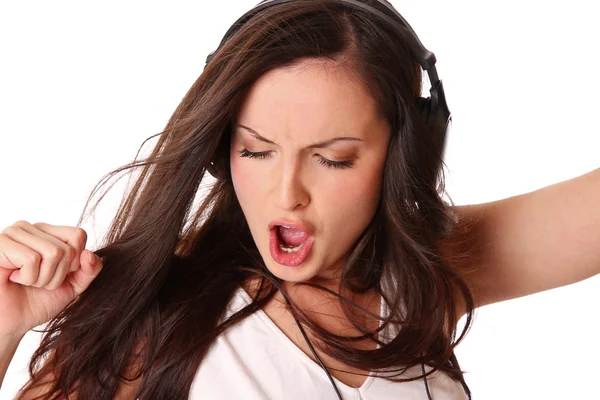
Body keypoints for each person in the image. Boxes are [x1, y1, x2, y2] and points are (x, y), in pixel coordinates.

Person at [1, 0, 599, 399]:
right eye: (257, 151)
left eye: (333, 158)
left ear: (402, 159)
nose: (286, 194)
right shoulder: (159, 317)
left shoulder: (421, 278)